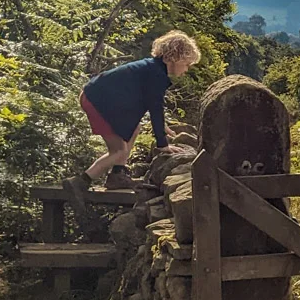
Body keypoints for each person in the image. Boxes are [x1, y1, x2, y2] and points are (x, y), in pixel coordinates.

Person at [63, 31, 201, 213]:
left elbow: (153, 107)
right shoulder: (156, 74)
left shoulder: (152, 68)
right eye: (187, 63)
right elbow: (155, 107)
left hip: (98, 97)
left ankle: (117, 175)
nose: (187, 69)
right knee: (118, 150)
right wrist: (163, 144)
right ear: (174, 57)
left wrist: (162, 126)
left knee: (135, 128)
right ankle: (81, 181)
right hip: (97, 101)